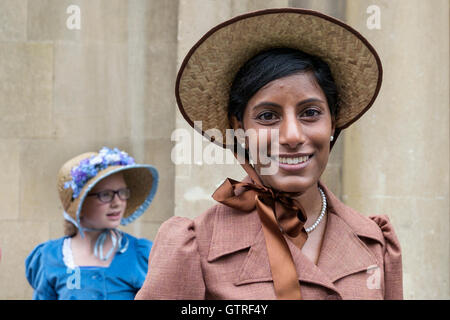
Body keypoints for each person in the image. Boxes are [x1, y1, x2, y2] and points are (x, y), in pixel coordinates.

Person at [136, 8, 402, 300]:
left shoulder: (375, 241)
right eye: (267, 116)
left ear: (333, 123)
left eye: (310, 113)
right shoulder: (195, 246)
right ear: (240, 128)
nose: (291, 136)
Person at [25, 147, 159, 300]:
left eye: (122, 193)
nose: (117, 203)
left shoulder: (140, 254)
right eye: (106, 195)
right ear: (79, 205)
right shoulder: (50, 257)